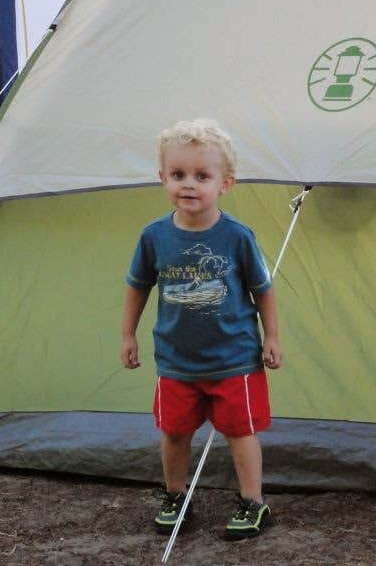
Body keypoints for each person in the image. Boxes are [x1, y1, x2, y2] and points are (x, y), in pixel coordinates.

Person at [120, 118, 282, 540]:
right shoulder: (154, 236)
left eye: (201, 176)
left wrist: (272, 337)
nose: (188, 184)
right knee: (174, 432)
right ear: (162, 178)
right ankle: (176, 495)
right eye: (178, 175)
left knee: (241, 433)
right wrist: (127, 335)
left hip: (235, 360)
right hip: (176, 361)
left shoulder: (238, 237)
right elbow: (138, 286)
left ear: (225, 183)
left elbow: (263, 290)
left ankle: (253, 502)